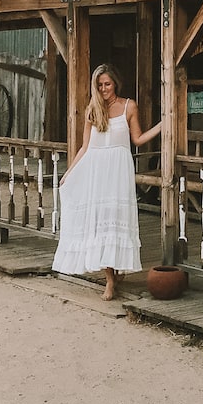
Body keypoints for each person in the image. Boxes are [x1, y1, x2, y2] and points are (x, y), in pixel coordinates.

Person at [52, 63, 162, 300]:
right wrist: (70, 172)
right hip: (97, 169)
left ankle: (117, 269)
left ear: (115, 83)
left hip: (119, 169)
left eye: (107, 84)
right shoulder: (93, 110)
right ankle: (109, 280)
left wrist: (162, 126)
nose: (104, 89)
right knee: (100, 221)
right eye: (100, 85)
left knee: (116, 219)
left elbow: (138, 139)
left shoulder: (129, 106)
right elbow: (85, 147)